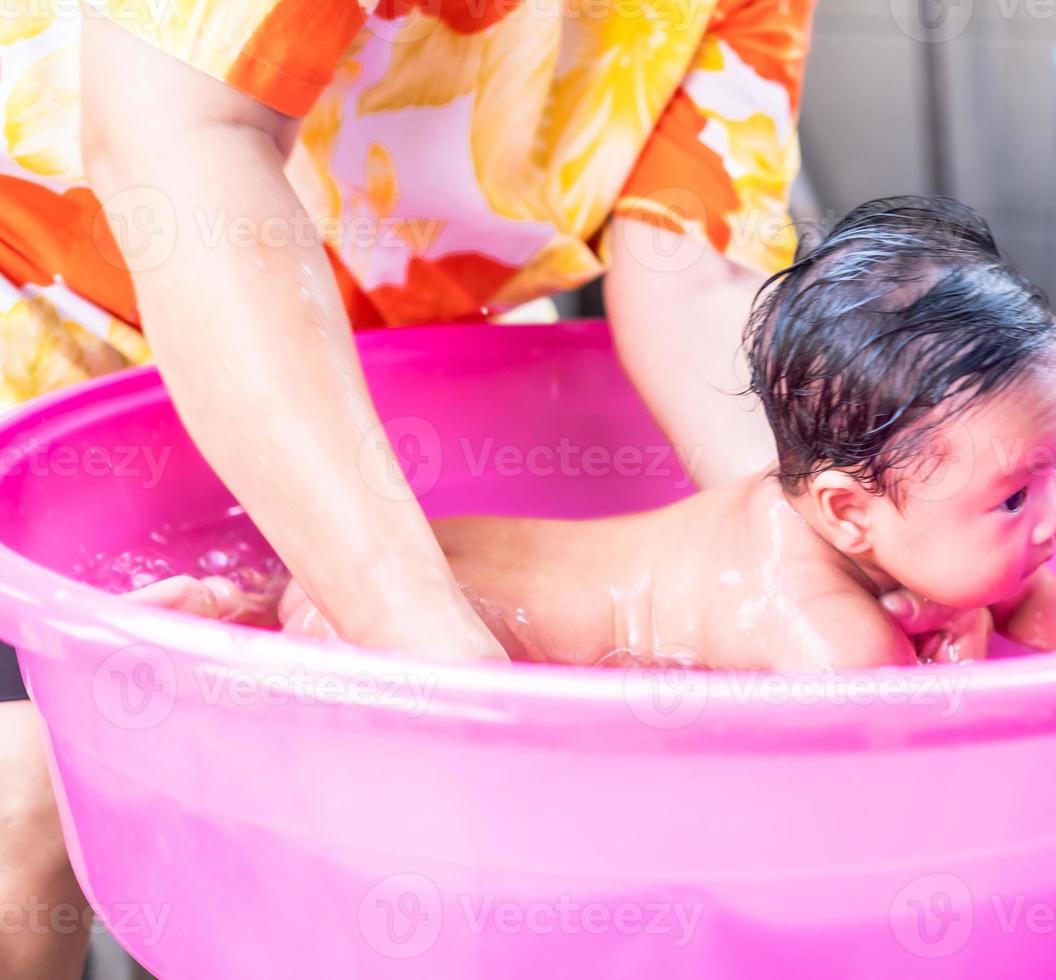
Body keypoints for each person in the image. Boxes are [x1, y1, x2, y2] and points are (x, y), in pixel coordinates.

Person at [0, 1, 815, 975]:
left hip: (409, 374)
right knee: (30, 799)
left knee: (350, 856)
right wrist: (428, 650)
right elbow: (173, 145)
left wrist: (821, 540)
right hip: (53, 330)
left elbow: (693, 273)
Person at [144, 198, 1056, 668]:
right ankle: (258, 621)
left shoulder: (876, 514)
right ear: (848, 511)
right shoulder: (826, 633)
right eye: (1017, 495)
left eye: (1054, 468)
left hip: (444, 556)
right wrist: (961, 662)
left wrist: (999, 596)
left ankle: (253, 603)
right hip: (436, 624)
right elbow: (926, 782)